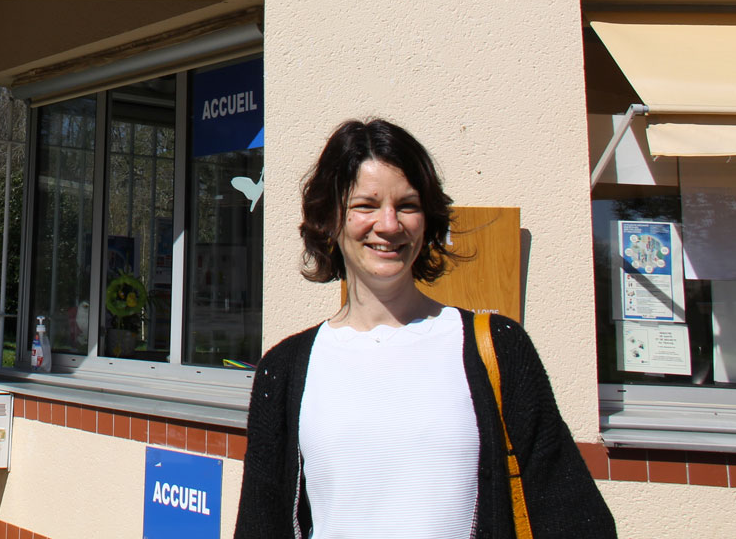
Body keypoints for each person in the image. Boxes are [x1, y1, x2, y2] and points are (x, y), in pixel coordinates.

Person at [233, 119, 615, 539]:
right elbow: (260, 524)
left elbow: (575, 517)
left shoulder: (497, 349)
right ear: (329, 219)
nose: (390, 224)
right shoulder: (285, 370)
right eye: (366, 205)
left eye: (408, 205)